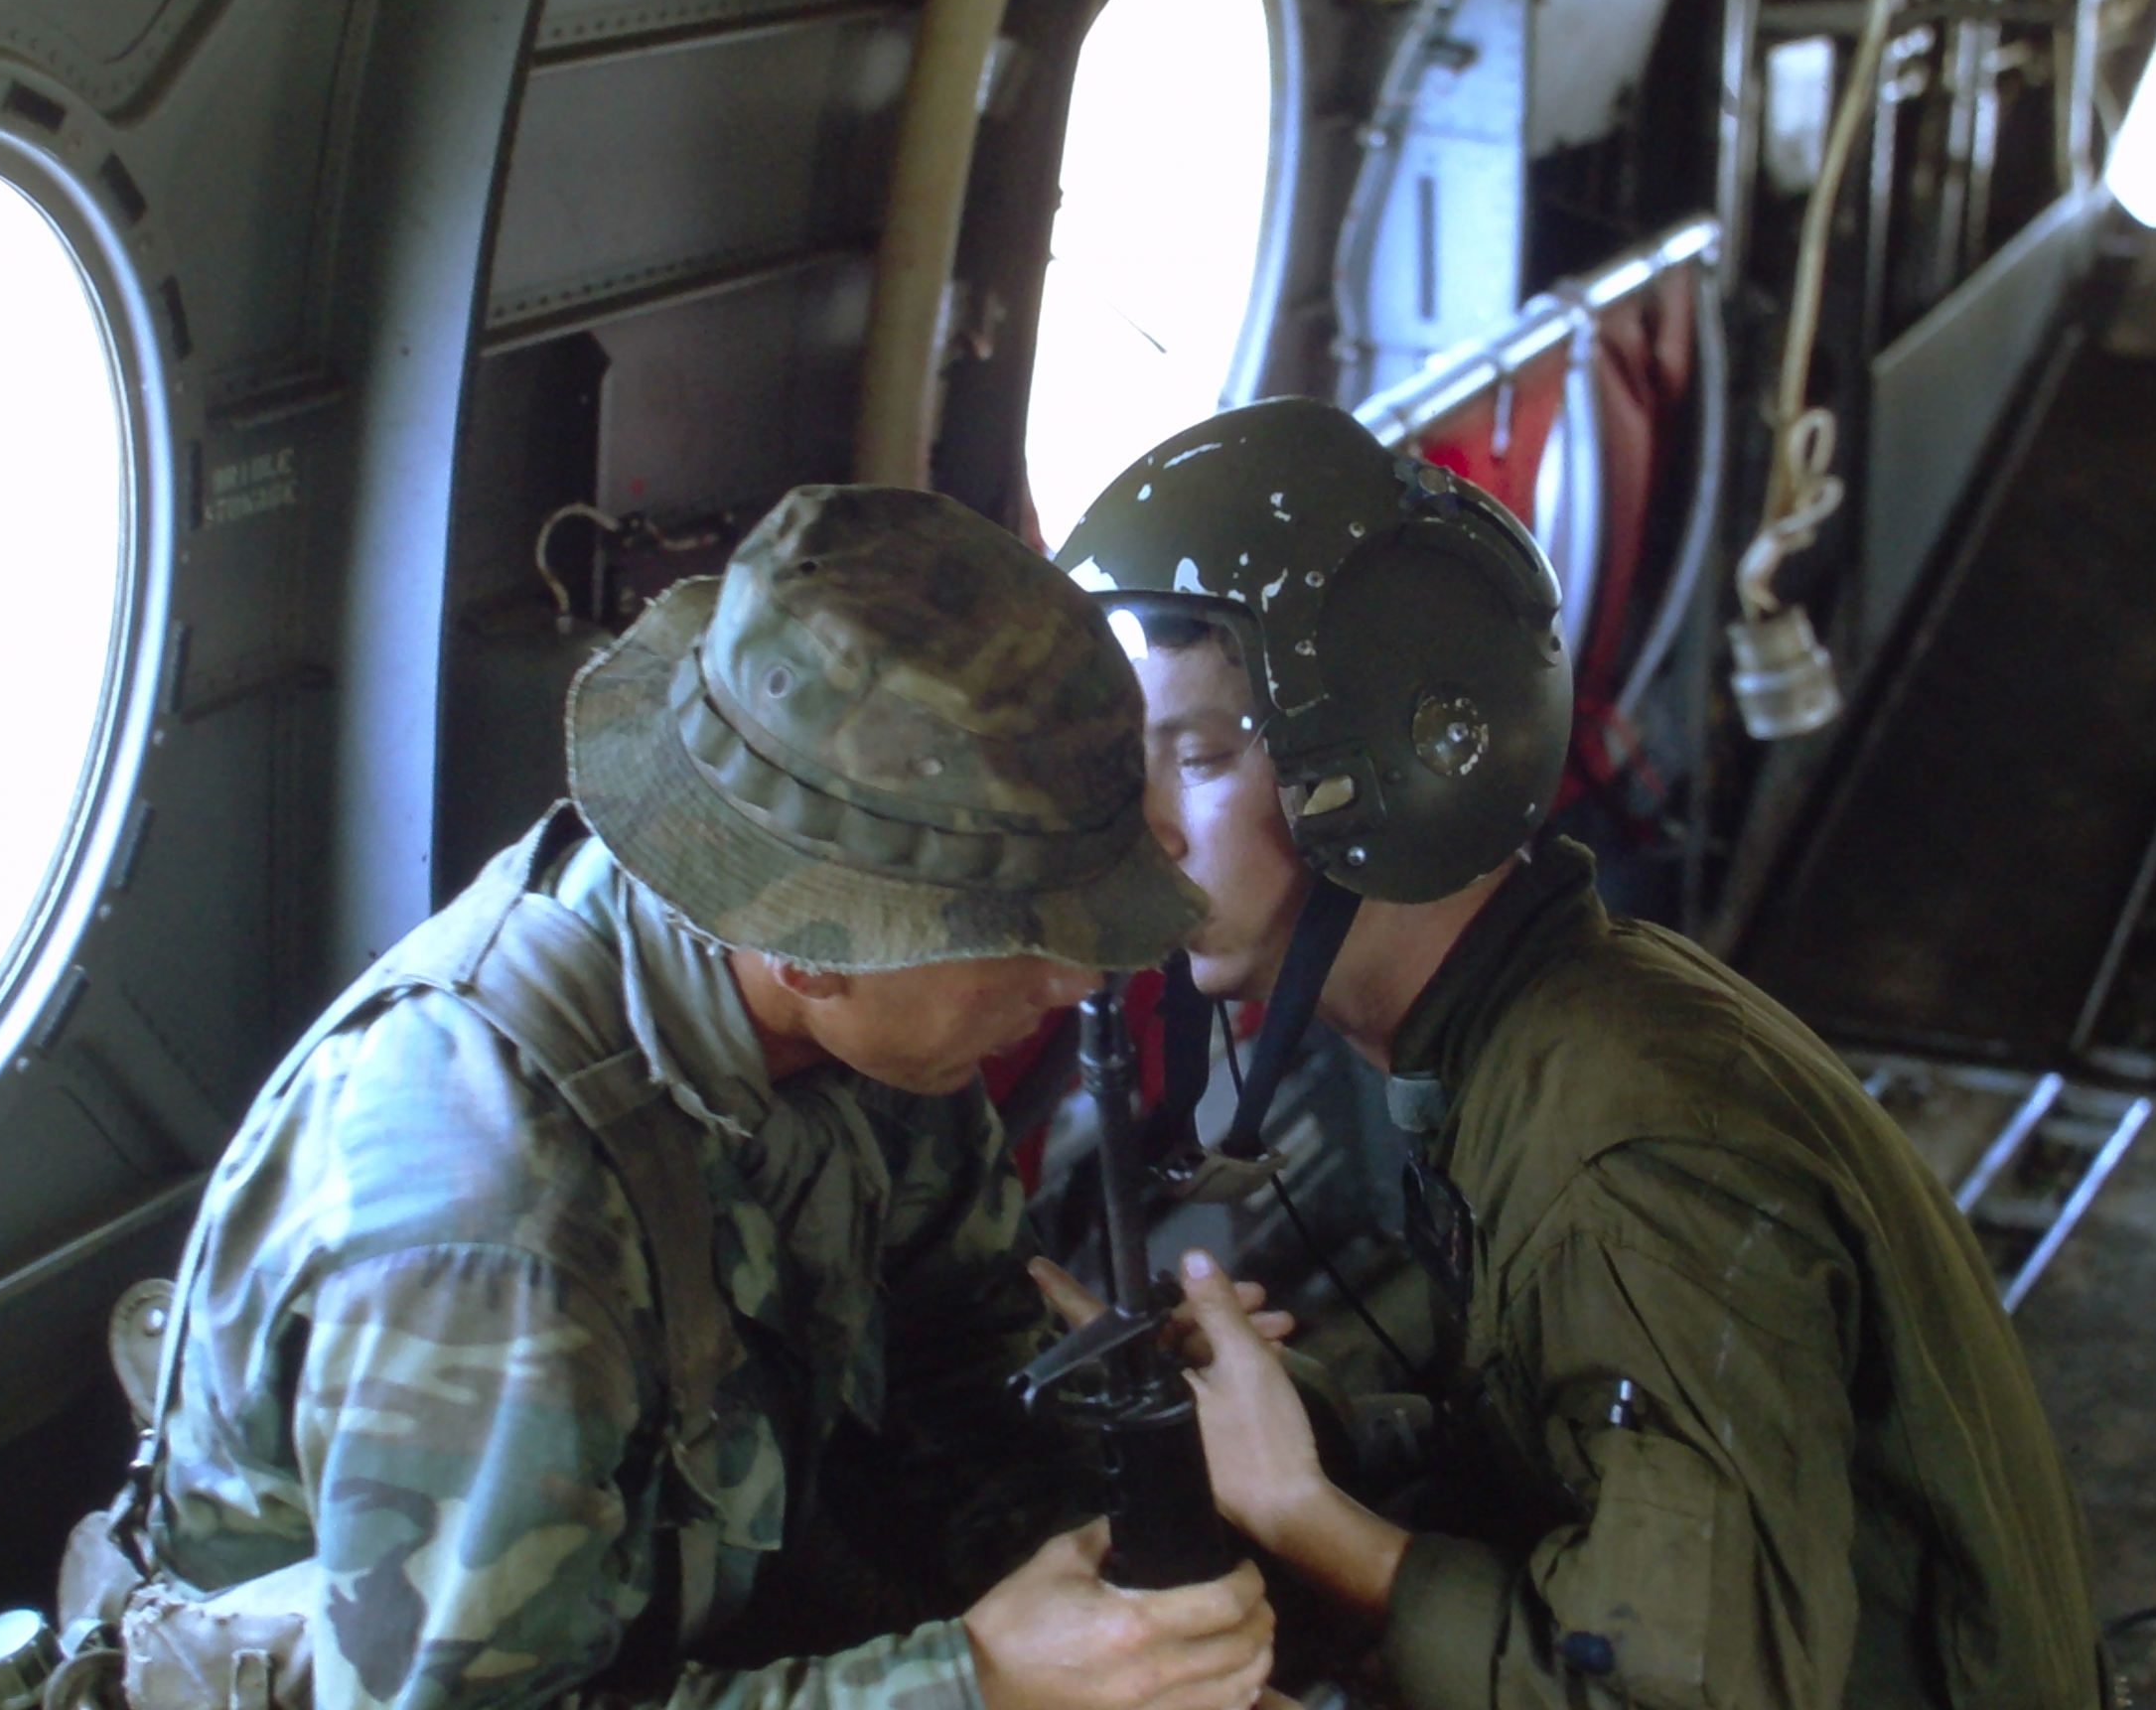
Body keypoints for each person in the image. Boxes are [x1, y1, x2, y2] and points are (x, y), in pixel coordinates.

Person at [63, 486, 1278, 1710]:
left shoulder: (877, 1034)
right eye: (1025, 934)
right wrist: (970, 1686)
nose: (1077, 978)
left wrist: (1144, 1546)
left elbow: (952, 1367)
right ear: (814, 948)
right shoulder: (496, 1227)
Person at [1044, 398, 2106, 1710]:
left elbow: (1669, 1698)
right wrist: (1287, 1424)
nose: (1150, 827)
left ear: (1393, 774)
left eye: (1200, 758)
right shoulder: (1546, 1031)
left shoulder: (1622, 1150)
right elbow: (1563, 1457)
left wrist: (1304, 1513)